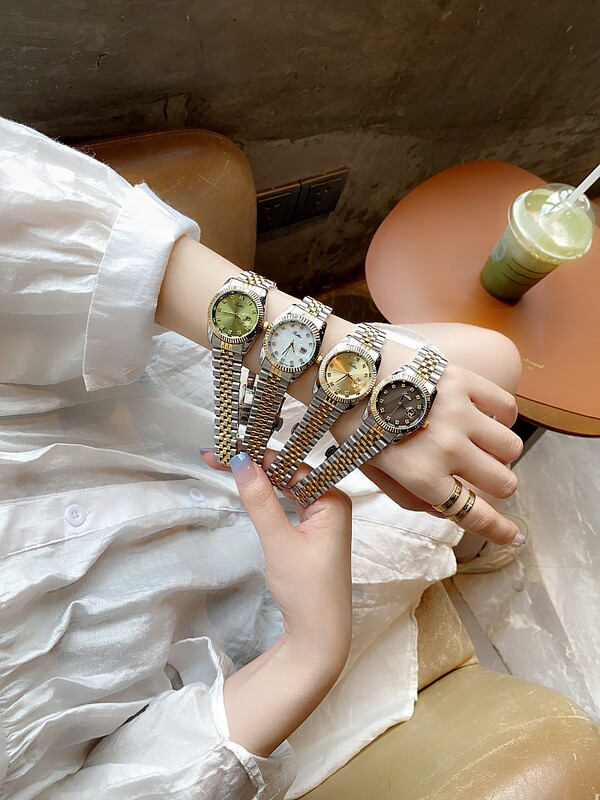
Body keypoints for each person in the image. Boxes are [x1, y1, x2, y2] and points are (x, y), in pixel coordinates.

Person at [0, 117, 523, 799]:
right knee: (482, 407)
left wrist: (347, 374)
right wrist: (314, 649)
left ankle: (461, 531)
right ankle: (462, 543)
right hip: (259, 631)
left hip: (204, 412)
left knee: (489, 370)